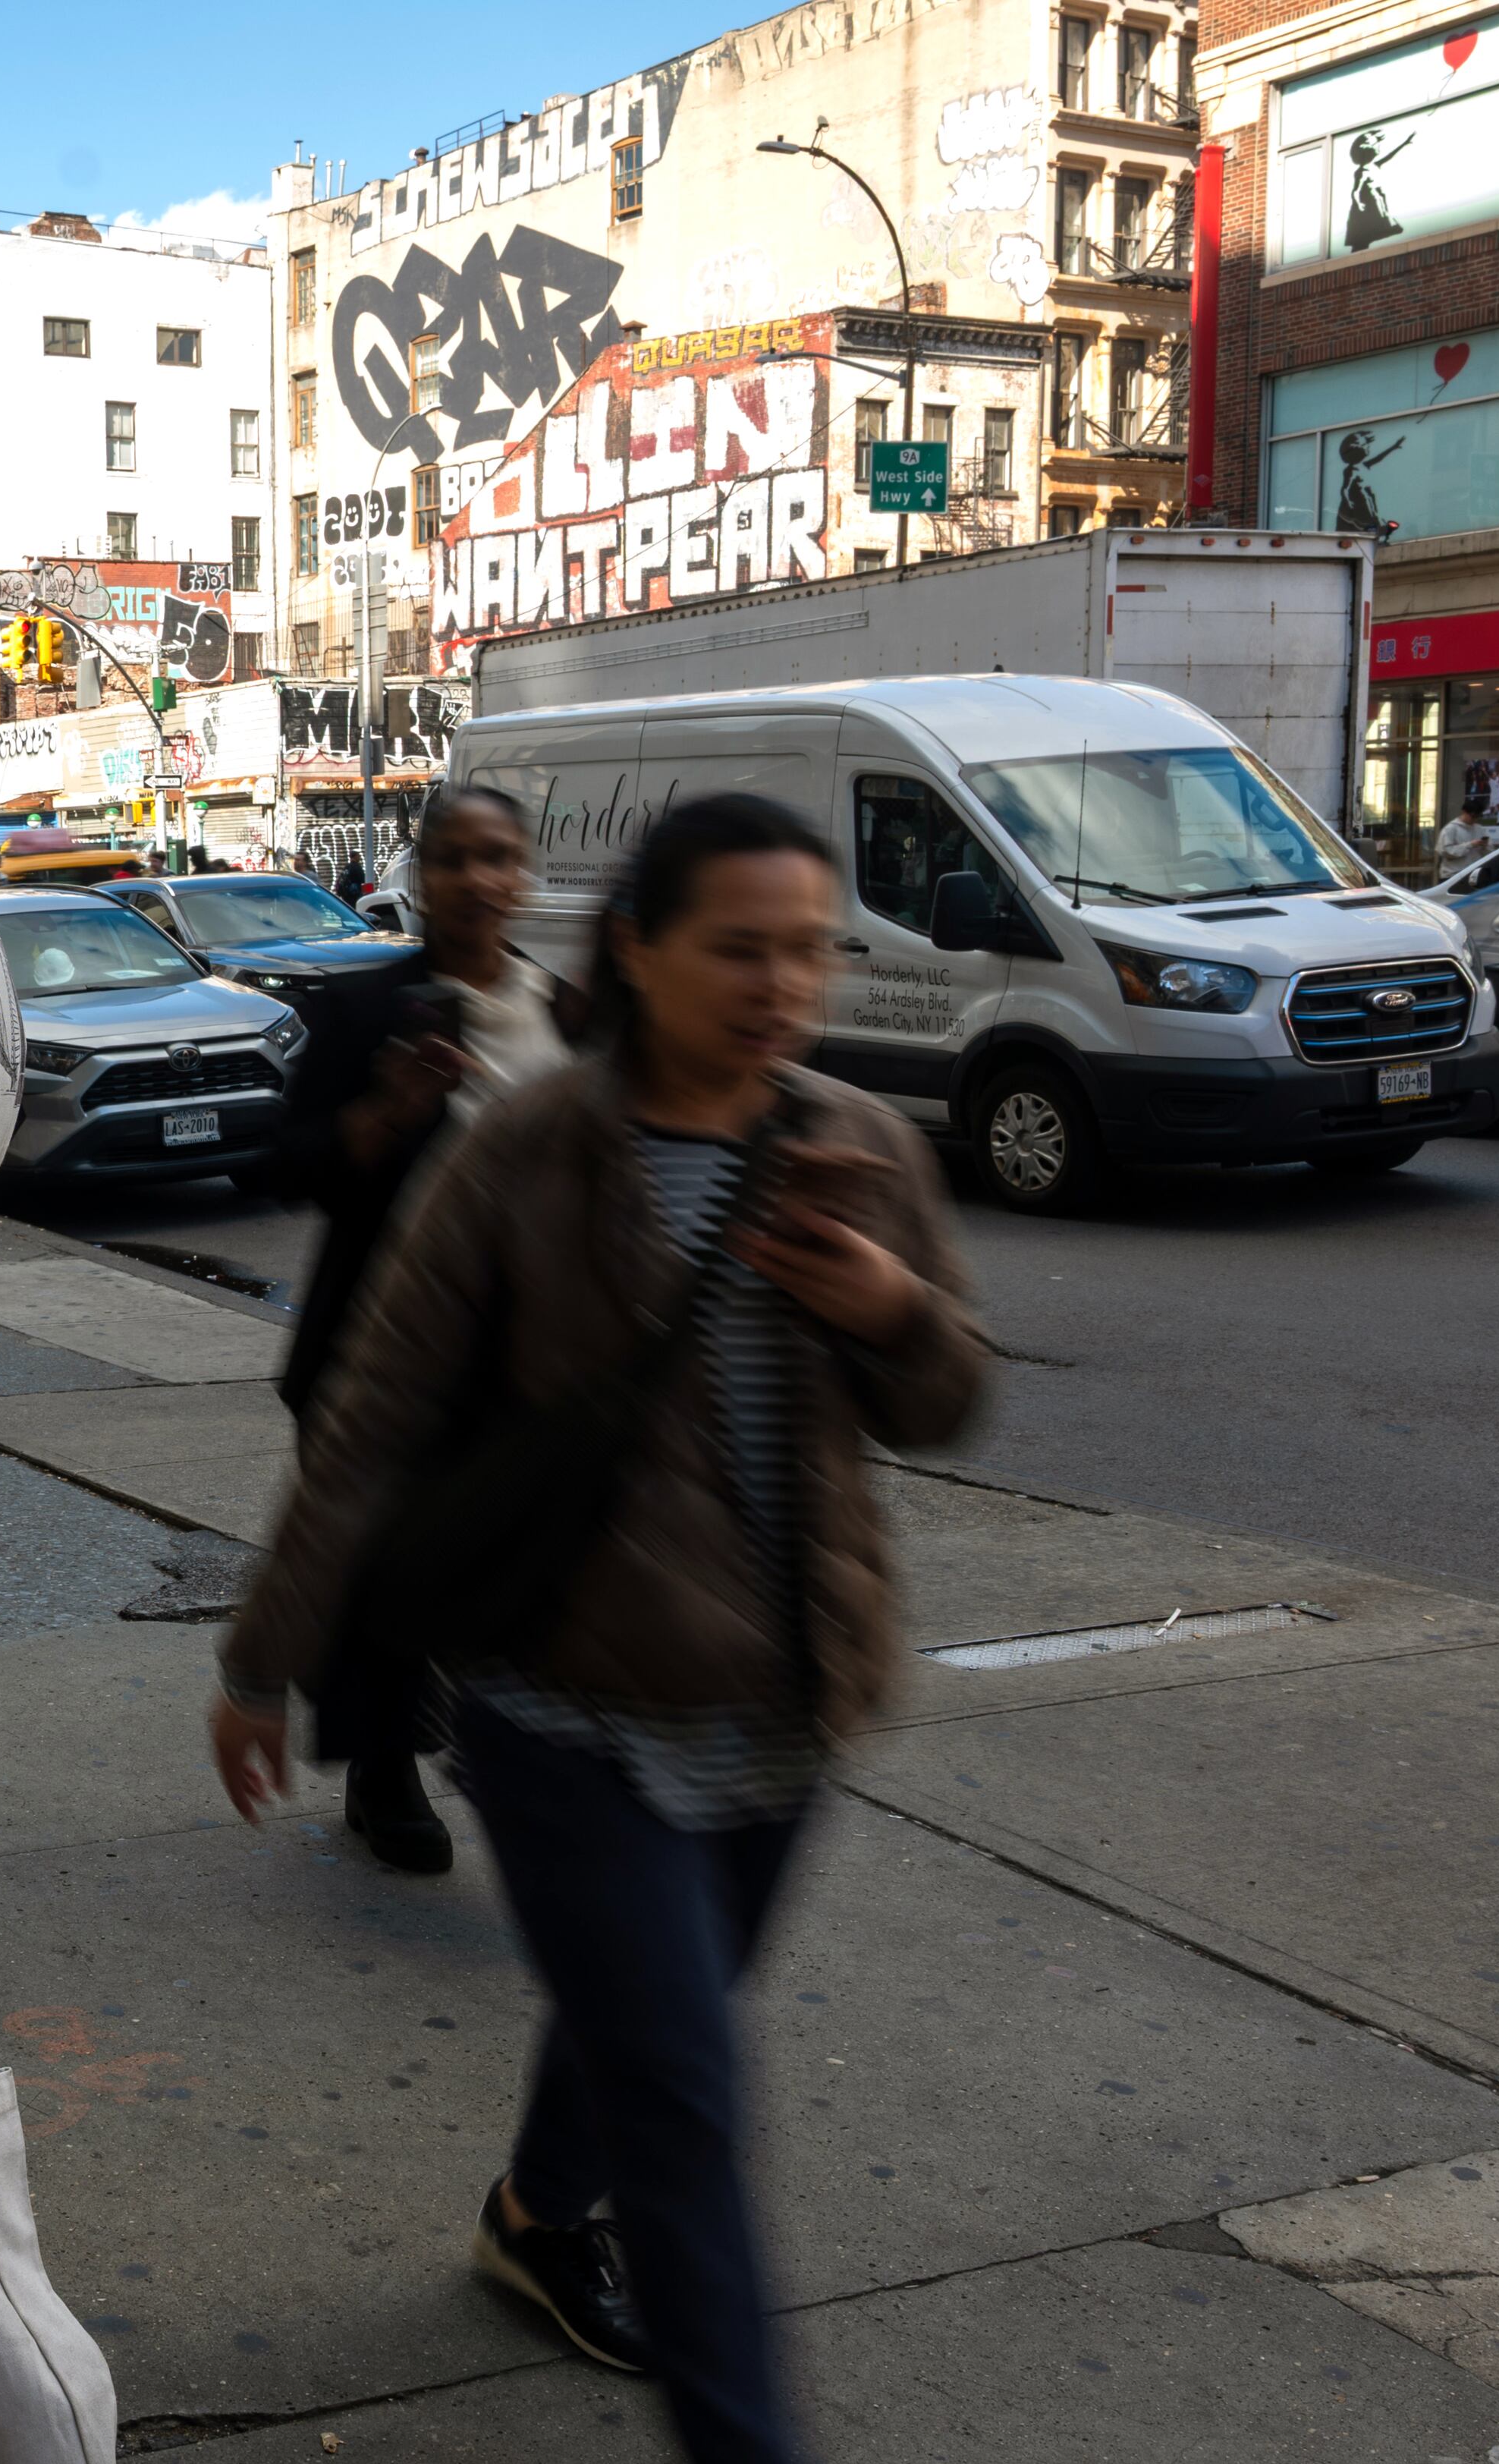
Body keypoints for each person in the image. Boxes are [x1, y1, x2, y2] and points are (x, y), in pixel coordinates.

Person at [209, 795, 987, 2464]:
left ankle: (530, 2209)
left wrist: (891, 1306)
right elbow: (375, 1414)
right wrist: (262, 1651)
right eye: (739, 949)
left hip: (788, 1709)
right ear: (636, 948)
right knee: (687, 2111)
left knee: (655, 2020)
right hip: (566, 1708)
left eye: (809, 949)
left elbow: (945, 1398)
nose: (783, 984)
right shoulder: (533, 1150)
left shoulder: (859, 1141)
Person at [263, 786, 572, 1873]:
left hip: (527, 1362)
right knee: (383, 1571)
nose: (481, 881)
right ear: (419, 878)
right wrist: (384, 1112)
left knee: (520, 1576)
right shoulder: (368, 1016)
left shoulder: (568, 1016)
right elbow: (287, 1165)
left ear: (524, 873)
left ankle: (516, 1759)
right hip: (382, 1350)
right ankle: (385, 1770)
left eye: (502, 858)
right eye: (457, 861)